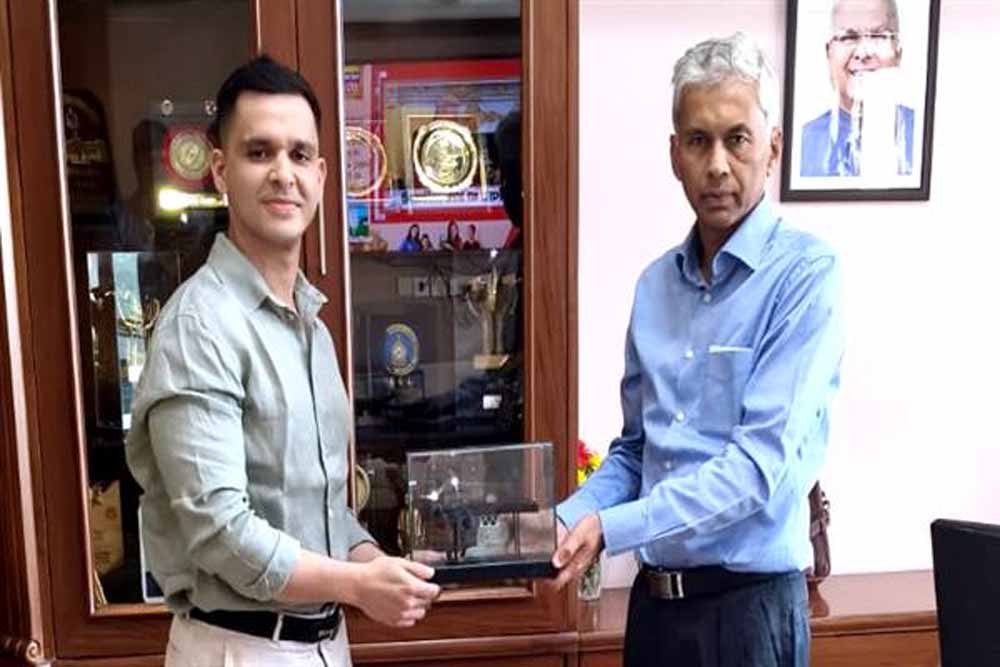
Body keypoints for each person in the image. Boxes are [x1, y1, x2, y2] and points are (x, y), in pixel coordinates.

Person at [125, 56, 439, 667]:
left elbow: (322, 511)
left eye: (299, 155)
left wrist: (379, 566)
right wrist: (358, 586)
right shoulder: (200, 325)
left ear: (321, 176)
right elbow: (219, 531)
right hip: (238, 649)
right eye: (259, 152)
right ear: (221, 170)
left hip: (324, 644)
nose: (282, 174)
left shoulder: (312, 328)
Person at [552, 33, 844, 666]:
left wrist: (611, 528)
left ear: (772, 147)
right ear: (674, 154)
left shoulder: (805, 276)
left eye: (737, 139)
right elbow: (637, 451)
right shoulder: (654, 286)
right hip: (655, 615)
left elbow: (756, 470)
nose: (716, 165)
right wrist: (565, 520)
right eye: (698, 141)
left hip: (747, 615)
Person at [800, 0, 914, 177]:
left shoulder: (923, 136)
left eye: (878, 36)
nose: (863, 52)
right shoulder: (802, 145)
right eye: (848, 38)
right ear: (829, 53)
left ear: (898, 51)